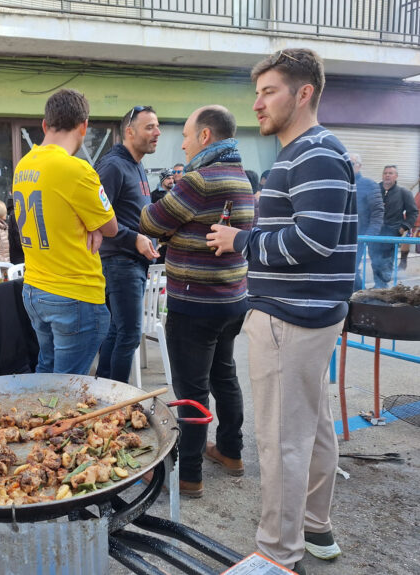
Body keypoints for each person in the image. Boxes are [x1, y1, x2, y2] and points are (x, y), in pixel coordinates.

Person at [207, 48, 356, 575]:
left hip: (290, 318)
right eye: (257, 92)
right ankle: (314, 528)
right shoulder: (308, 152)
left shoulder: (313, 152)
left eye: (269, 91)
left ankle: (276, 554)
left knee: (280, 440)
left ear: (304, 92)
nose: (258, 103)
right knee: (310, 429)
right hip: (306, 315)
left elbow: (312, 242)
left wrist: (240, 240)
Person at [140, 105, 254, 498]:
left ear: (206, 136)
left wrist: (158, 203)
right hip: (232, 300)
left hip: (195, 303)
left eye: (187, 135)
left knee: (192, 388)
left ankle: (188, 475)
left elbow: (151, 221)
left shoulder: (199, 181)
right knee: (225, 376)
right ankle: (230, 451)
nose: (183, 143)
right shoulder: (242, 177)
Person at [13, 88, 118, 375]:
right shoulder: (77, 170)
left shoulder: (23, 165)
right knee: (68, 392)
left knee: (46, 378)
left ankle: (41, 421)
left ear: (45, 125)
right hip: (75, 293)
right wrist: (91, 224)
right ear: (84, 126)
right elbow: (110, 227)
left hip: (35, 289)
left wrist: (86, 222)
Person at [94, 106, 160, 383]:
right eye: (149, 127)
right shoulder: (112, 165)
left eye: (157, 126)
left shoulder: (136, 164)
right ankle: (117, 399)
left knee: (117, 331)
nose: (157, 133)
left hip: (134, 261)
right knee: (130, 334)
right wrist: (134, 238)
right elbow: (96, 216)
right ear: (129, 132)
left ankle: (104, 392)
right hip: (120, 261)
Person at [371, 165, 417, 285]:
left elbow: (413, 213)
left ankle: (382, 288)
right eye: (385, 173)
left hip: (392, 234)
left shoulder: (403, 192)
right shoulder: (374, 190)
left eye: (391, 173)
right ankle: (378, 288)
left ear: (396, 176)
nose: (387, 175)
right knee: (375, 262)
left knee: (387, 264)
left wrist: (403, 228)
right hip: (374, 234)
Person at [350, 154, 384, 290]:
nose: (347, 166)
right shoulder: (340, 183)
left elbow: (378, 211)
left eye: (351, 163)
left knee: (352, 268)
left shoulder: (369, 184)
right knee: (345, 270)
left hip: (360, 236)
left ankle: (358, 298)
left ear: (359, 166)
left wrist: (370, 235)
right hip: (341, 237)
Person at [151, 169, 175, 264]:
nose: (171, 181)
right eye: (168, 178)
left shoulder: (177, 192)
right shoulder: (155, 195)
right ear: (162, 180)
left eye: (172, 178)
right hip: (161, 234)